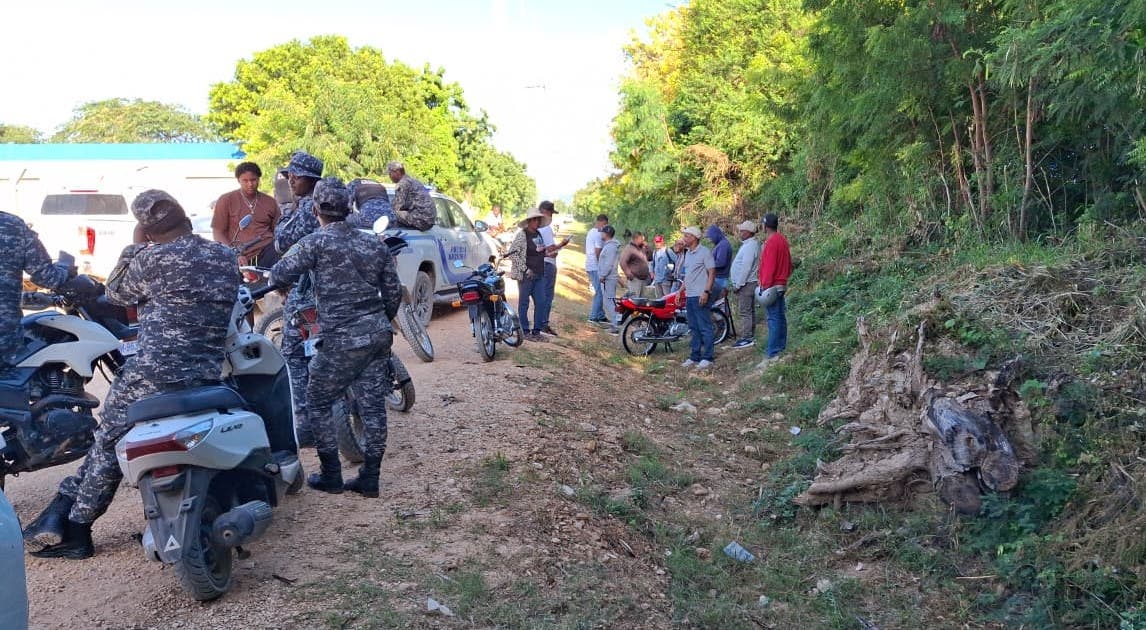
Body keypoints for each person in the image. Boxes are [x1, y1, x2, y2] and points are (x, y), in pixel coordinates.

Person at [23, 190, 239, 559]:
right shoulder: (222, 255)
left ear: (146, 229)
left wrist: (134, 246)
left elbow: (116, 293)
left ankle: (78, 529)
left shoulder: (150, 260)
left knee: (109, 439)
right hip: (208, 371)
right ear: (185, 216)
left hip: (153, 375)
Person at [269, 178, 401, 497]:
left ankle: (331, 474)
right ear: (350, 208)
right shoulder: (373, 244)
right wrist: (378, 318)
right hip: (377, 333)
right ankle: (370, 477)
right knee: (372, 405)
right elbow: (393, 293)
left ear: (316, 210)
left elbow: (278, 274)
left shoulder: (315, 242)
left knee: (317, 398)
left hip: (342, 337)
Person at [274, 151, 323, 448]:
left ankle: (305, 426)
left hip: (308, 293)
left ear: (307, 178)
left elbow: (282, 242)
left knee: (292, 353)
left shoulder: (306, 209)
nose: (290, 180)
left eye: (294, 175)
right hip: (341, 294)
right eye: (288, 175)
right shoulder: (337, 200)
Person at [0, 213, 74, 369]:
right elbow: (47, 277)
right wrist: (65, 267)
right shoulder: (11, 225)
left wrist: (24, 298)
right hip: (5, 341)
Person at [211, 161, 281, 268]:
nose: (250, 184)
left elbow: (277, 231)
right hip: (239, 256)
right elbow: (218, 232)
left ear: (258, 179)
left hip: (267, 252)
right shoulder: (226, 200)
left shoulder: (270, 202)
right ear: (238, 180)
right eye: (245, 180)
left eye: (253, 180)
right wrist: (234, 253)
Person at [677, 226, 716, 369]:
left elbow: (712, 273)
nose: (684, 238)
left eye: (687, 236)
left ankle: (708, 357)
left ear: (694, 237)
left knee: (704, 326)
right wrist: (680, 291)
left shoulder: (705, 252)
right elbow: (688, 276)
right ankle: (694, 356)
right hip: (690, 295)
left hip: (700, 294)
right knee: (693, 327)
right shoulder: (688, 254)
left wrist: (706, 291)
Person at [508, 208, 549, 342]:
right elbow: (513, 254)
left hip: (539, 273)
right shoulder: (522, 235)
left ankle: (536, 331)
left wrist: (550, 253)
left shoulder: (538, 234)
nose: (537, 222)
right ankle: (525, 330)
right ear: (529, 221)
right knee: (524, 303)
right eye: (535, 220)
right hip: (527, 275)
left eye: (538, 220)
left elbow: (540, 252)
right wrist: (525, 269)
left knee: (541, 302)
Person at [758, 213, 792, 366]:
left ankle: (772, 353)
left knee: (773, 318)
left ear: (765, 226)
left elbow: (769, 266)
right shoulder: (782, 240)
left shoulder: (771, 242)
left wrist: (764, 285)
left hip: (772, 285)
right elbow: (789, 263)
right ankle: (780, 347)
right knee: (779, 317)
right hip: (781, 283)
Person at [536, 201, 571, 337]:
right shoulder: (546, 228)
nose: (552, 217)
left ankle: (540, 322)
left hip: (539, 263)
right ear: (546, 212)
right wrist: (562, 244)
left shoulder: (535, 226)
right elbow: (551, 249)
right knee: (547, 295)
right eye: (551, 213)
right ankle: (543, 324)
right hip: (548, 264)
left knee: (540, 294)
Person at [729, 220, 762, 349]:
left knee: (745, 312)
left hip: (746, 283)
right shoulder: (750, 245)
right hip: (748, 282)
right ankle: (749, 336)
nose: (740, 233)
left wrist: (739, 284)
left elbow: (746, 267)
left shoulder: (750, 246)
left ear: (749, 232)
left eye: (742, 231)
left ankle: (747, 337)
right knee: (749, 310)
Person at [387, 161, 436, 231]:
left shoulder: (403, 183)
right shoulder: (413, 181)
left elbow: (395, 207)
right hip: (429, 220)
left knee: (391, 212)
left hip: (421, 220)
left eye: (390, 173)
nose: (389, 176)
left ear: (397, 172)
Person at [596, 225, 621, 334]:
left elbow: (608, 264)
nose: (601, 234)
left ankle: (616, 325)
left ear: (606, 234)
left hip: (608, 278)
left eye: (602, 232)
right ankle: (615, 323)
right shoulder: (609, 245)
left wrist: (602, 275)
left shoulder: (610, 247)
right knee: (609, 301)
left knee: (609, 301)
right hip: (608, 278)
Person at [585, 214, 608, 323]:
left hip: (590, 264)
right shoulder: (598, 234)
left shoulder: (591, 231)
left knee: (600, 290)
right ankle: (593, 316)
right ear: (599, 222)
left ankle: (600, 314)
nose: (604, 227)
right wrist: (602, 266)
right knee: (599, 291)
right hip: (595, 266)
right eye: (604, 224)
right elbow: (598, 251)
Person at [620, 231, 653, 298]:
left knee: (643, 301)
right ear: (636, 239)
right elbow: (622, 262)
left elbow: (650, 258)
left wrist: (648, 246)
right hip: (635, 280)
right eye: (641, 239)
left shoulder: (642, 247)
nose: (643, 241)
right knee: (634, 300)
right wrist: (629, 274)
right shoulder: (629, 248)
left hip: (645, 279)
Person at [706, 224, 732, 298]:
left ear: (715, 234)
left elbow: (721, 262)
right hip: (717, 279)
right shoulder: (720, 244)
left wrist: (706, 265)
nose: (710, 240)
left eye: (710, 237)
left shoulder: (723, 245)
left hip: (720, 280)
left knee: (718, 306)